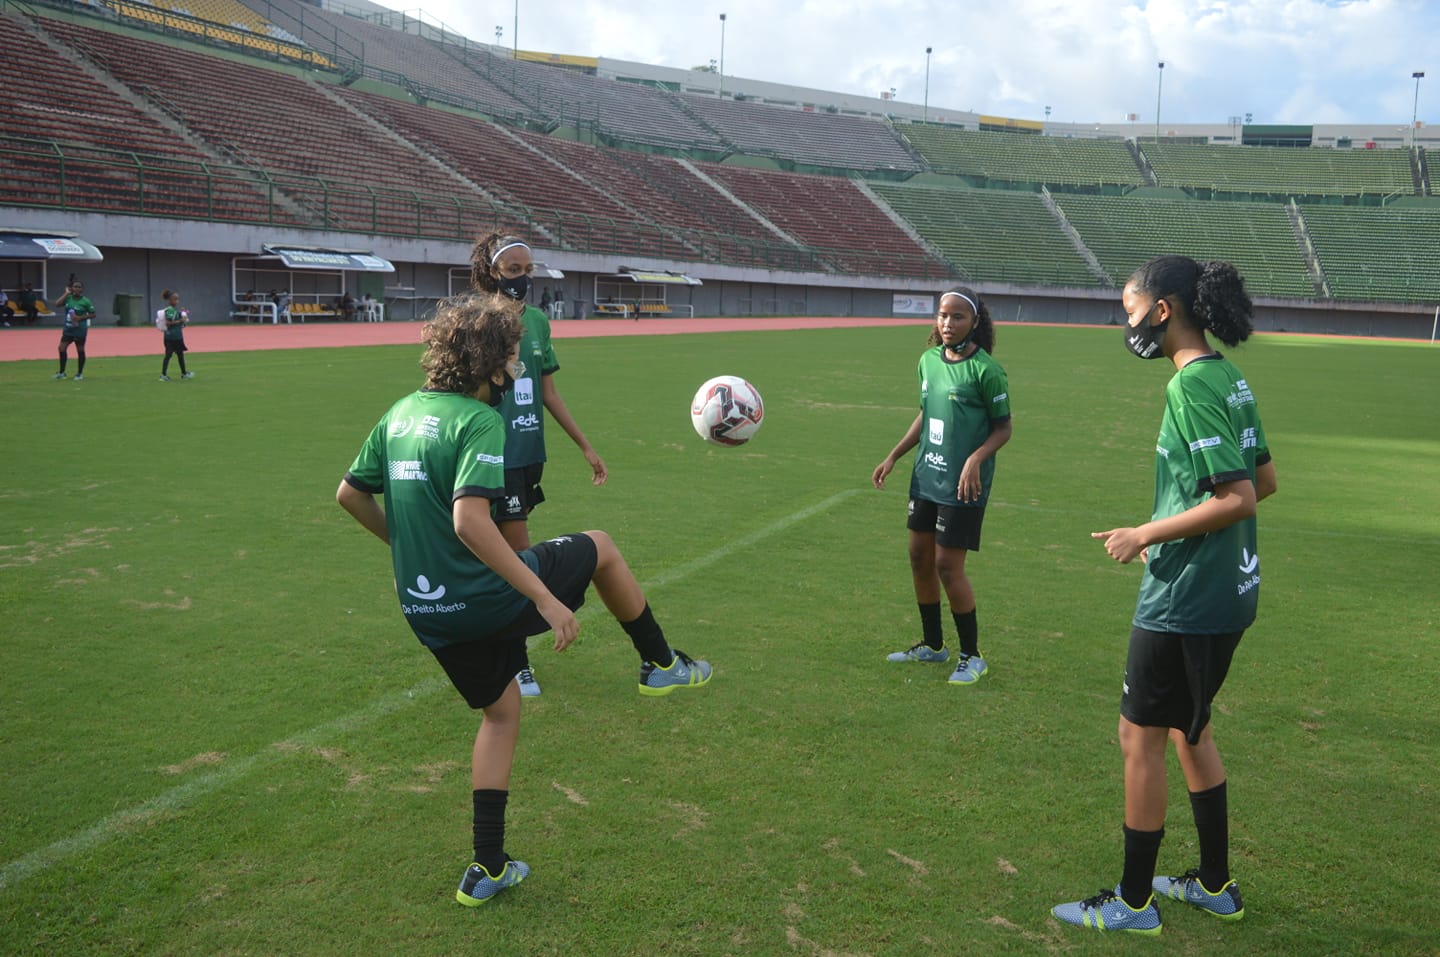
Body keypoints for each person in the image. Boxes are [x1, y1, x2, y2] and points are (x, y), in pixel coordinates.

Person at [335, 292, 711, 907]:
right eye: (511, 354)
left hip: (426, 609)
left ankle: (487, 867)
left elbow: (349, 495)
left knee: (502, 711)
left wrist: (412, 554)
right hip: (486, 597)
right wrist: (545, 598)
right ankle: (662, 666)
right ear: (488, 362)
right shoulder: (482, 420)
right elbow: (469, 522)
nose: (518, 366)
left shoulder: (400, 412)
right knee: (603, 546)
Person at [1052, 256, 1277, 936]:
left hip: (1187, 599)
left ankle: (1133, 901)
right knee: (1190, 728)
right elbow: (1261, 483)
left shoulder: (1191, 386)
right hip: (1226, 588)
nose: (1126, 321)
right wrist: (1171, 531)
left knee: (1138, 735)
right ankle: (1213, 885)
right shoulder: (1227, 376)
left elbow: (1236, 496)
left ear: (1162, 310)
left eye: (1130, 307)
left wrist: (1145, 530)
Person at [469, 232, 608, 698]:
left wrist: (585, 447)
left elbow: (548, 394)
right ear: (492, 272)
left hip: (529, 454)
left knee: (505, 557)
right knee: (515, 558)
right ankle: (517, 663)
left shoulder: (539, 323)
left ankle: (499, 649)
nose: (523, 279)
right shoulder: (476, 322)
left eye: (528, 271)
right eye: (513, 271)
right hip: (491, 455)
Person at [872, 287, 1011, 685]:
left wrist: (975, 459)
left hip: (964, 486)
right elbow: (926, 413)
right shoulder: (927, 361)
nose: (947, 324)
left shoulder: (987, 370)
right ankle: (933, 646)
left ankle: (972, 656)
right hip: (926, 476)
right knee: (919, 558)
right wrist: (894, 455)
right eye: (942, 316)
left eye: (957, 317)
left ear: (975, 322)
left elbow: (1004, 428)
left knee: (948, 565)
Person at [53, 279, 96, 380]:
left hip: (79, 330)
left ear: (82, 289)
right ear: (71, 288)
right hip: (68, 329)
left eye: (78, 287)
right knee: (61, 348)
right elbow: (57, 304)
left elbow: (93, 314)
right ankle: (62, 372)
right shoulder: (68, 298)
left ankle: (79, 373)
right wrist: (66, 293)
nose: (76, 288)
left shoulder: (85, 301)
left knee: (80, 350)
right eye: (75, 286)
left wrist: (80, 318)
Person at [156, 288, 193, 381]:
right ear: (169, 300)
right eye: (175, 299)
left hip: (177, 337)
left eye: (177, 299)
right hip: (172, 337)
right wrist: (180, 320)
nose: (177, 301)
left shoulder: (174, 311)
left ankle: (184, 373)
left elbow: (180, 322)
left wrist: (182, 317)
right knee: (168, 355)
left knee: (180, 355)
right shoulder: (169, 310)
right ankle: (163, 375)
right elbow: (168, 323)